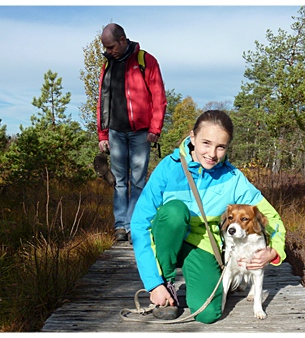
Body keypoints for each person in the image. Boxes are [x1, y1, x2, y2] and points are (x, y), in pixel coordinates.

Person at [130, 110, 286, 323]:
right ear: (192, 137)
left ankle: (207, 277)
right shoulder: (168, 169)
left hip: (202, 245)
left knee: (208, 314)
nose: (212, 153)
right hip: (167, 237)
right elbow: (140, 223)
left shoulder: (233, 178)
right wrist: (153, 283)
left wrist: (273, 250)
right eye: (206, 143)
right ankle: (165, 283)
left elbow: (272, 219)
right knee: (174, 212)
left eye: (220, 146)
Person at [97, 23, 167, 242]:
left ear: (123, 40)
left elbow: (159, 97)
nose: (108, 51)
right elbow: (102, 100)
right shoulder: (107, 65)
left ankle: (132, 225)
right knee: (119, 181)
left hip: (141, 133)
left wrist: (155, 128)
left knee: (137, 181)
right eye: (105, 48)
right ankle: (120, 225)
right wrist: (103, 134)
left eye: (111, 47)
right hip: (116, 132)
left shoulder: (145, 61)